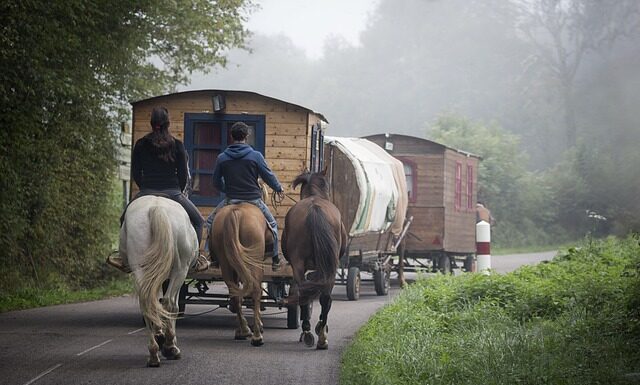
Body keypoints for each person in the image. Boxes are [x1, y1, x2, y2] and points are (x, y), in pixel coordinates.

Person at [108, 106, 209, 273]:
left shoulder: (141, 144)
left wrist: (145, 189)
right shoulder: (177, 145)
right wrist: (178, 190)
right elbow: (183, 174)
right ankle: (195, 259)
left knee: (124, 218)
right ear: (168, 124)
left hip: (147, 190)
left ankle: (124, 258)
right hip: (173, 192)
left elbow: (136, 173)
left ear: (151, 123)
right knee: (199, 221)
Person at [206, 121, 284, 271]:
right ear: (246, 136)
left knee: (210, 223)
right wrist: (278, 188)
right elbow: (267, 176)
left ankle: (211, 256)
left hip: (230, 199)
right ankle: (275, 258)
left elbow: (215, 182)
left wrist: (227, 188)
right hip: (253, 200)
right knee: (273, 225)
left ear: (232, 137)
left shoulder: (222, 157)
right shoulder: (256, 156)